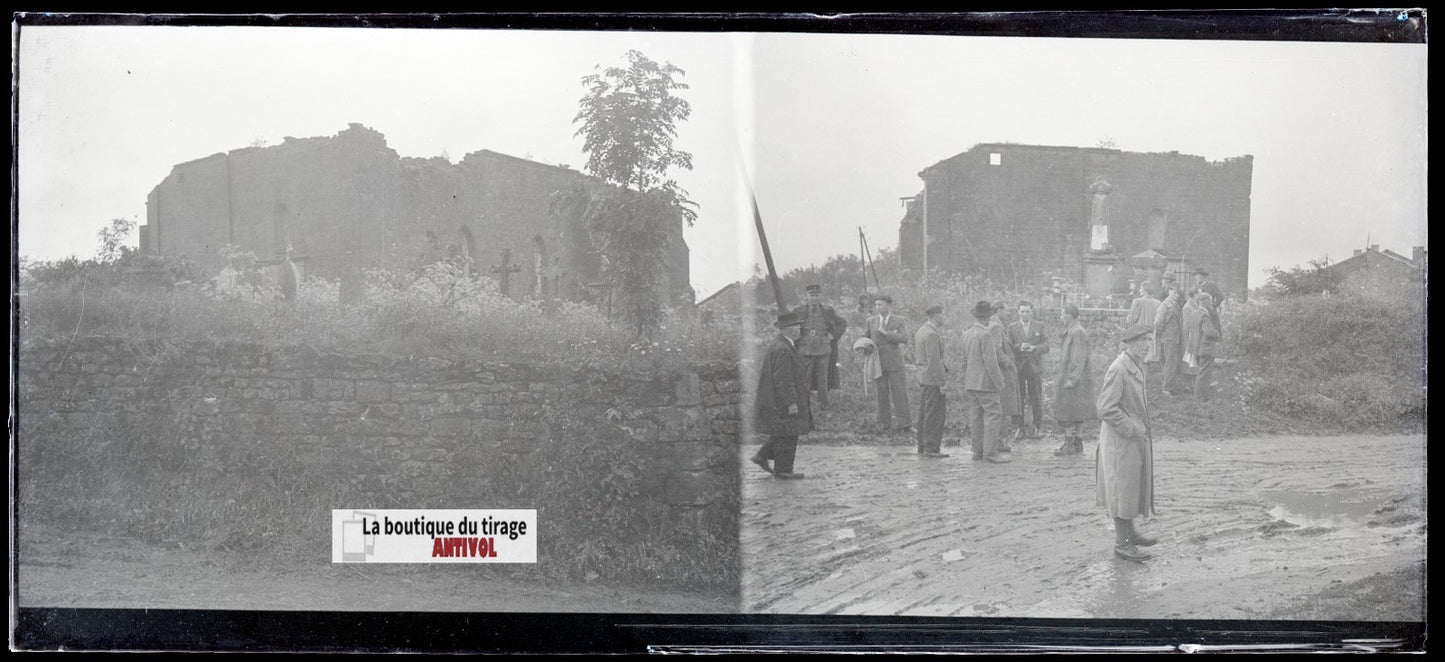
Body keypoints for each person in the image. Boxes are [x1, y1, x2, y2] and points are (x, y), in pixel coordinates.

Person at [1096, 323, 1158, 562]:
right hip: (1119, 442)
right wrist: (1132, 428)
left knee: (1130, 488)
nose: (1147, 345)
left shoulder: (1135, 366)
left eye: (1150, 341)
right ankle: (1121, 544)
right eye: (1143, 341)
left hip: (1130, 441)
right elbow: (1105, 408)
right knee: (1121, 491)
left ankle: (1130, 534)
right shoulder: (1119, 368)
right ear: (1130, 343)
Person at [750, 311, 814, 479]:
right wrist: (791, 402)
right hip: (782, 401)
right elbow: (783, 378)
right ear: (786, 329)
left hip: (778, 400)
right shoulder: (783, 349)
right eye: (796, 326)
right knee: (788, 431)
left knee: (783, 431)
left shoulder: (782, 345)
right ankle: (783, 470)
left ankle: (763, 455)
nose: (799, 328)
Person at [960, 301, 1010, 463]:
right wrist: (999, 381)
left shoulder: (966, 333)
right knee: (994, 415)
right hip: (985, 384)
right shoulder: (986, 335)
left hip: (971, 382)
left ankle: (977, 451)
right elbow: (991, 362)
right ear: (987, 317)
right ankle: (990, 453)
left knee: (976, 417)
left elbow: (964, 361)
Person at [790, 284, 848, 414]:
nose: (814, 298)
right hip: (804, 349)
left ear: (820, 296)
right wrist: (795, 338)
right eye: (812, 295)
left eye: (817, 295)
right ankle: (803, 407)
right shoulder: (798, 310)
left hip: (823, 348)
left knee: (823, 379)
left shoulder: (828, 310)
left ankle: (824, 407)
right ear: (807, 296)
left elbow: (842, 323)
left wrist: (833, 336)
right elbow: (790, 326)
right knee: (804, 378)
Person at [866, 294, 912, 433]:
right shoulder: (871, 320)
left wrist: (887, 334)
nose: (878, 307)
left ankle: (904, 424)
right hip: (877, 362)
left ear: (888, 305)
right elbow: (866, 337)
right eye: (876, 305)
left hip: (894, 362)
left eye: (881, 304)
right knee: (881, 393)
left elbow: (905, 338)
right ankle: (884, 424)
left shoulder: (899, 320)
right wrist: (865, 346)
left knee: (900, 392)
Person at [1054, 303, 1095, 456]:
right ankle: (1077, 443)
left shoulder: (1077, 332)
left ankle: (1070, 443)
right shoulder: (1073, 330)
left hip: (1074, 379)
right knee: (1075, 411)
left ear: (1069, 316)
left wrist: (1072, 379)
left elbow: (1079, 356)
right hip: (1073, 376)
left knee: (1067, 410)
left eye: (1062, 314)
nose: (1061, 317)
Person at [1007, 301, 1050, 440]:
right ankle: (1019, 428)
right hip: (1019, 367)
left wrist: (1034, 348)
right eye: (1022, 311)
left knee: (1036, 397)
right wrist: (1020, 346)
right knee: (1018, 397)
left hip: (1034, 367)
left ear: (1032, 312)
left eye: (1027, 311)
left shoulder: (1039, 326)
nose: (1025, 314)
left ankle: (1037, 427)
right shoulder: (1012, 327)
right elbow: (1008, 346)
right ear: (1018, 312)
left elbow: (1046, 346)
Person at [913, 305, 950, 458]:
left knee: (925, 413)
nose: (944, 318)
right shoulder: (931, 334)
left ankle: (923, 446)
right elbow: (934, 361)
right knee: (934, 414)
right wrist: (942, 382)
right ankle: (931, 447)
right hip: (932, 379)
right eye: (942, 315)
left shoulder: (922, 330)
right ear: (936, 316)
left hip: (924, 376)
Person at [988, 301, 1020, 452]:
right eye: (1006, 310)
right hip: (1002, 372)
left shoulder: (995, 324)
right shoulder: (996, 326)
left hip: (1001, 372)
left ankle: (996, 440)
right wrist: (1009, 363)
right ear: (998, 310)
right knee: (1000, 408)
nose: (1008, 313)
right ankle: (997, 441)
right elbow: (996, 349)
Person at [1181, 290, 1221, 401]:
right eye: (1210, 301)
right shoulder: (1204, 314)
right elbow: (1209, 331)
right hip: (1206, 348)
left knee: (1201, 372)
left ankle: (1202, 397)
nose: (1211, 303)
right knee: (1204, 374)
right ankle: (1199, 398)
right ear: (1204, 302)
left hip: (1196, 348)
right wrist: (1217, 334)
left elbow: (1188, 328)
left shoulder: (1194, 313)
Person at [1151, 278, 1185, 396]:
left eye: (1178, 293)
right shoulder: (1165, 305)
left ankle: (1168, 386)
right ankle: (1166, 388)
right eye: (1174, 292)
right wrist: (1161, 335)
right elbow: (1158, 322)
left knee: (1170, 363)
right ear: (1169, 291)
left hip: (1173, 337)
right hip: (1168, 338)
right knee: (1169, 363)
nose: (1177, 295)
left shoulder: (1174, 304)